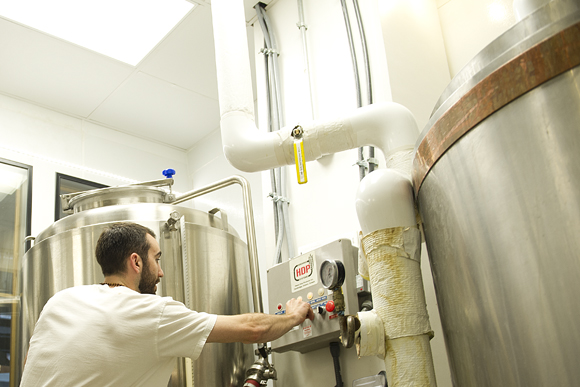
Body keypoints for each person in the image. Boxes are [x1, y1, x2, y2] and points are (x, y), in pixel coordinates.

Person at [20, 222, 314, 387]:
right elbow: (252, 329)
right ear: (136, 261)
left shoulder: (59, 300)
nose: (160, 271)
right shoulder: (151, 312)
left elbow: (32, 360)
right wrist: (292, 316)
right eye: (156, 259)